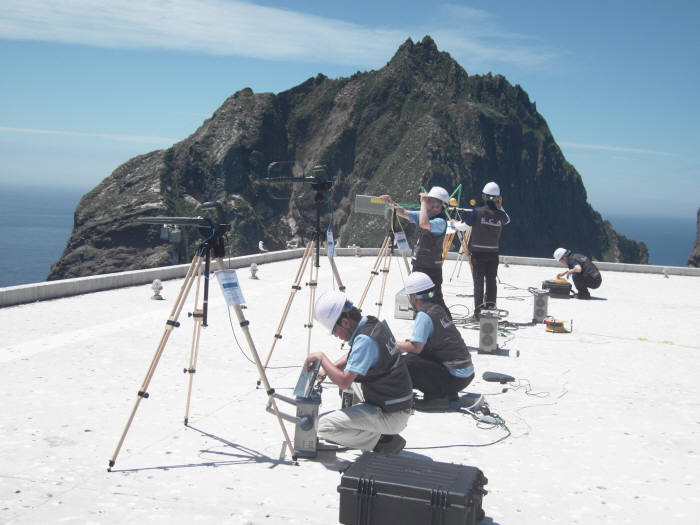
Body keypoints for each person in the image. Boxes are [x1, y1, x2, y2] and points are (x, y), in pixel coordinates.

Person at [305, 291, 413, 454]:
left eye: (335, 331)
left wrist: (321, 358)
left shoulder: (364, 340)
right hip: (397, 403)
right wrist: (328, 369)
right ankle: (359, 426)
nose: (336, 336)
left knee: (322, 426)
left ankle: (382, 441)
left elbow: (343, 381)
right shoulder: (371, 323)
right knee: (351, 374)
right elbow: (355, 355)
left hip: (391, 415)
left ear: (346, 322)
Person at [397, 272, 475, 410]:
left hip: (455, 378)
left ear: (412, 296)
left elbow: (416, 348)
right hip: (465, 375)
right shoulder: (437, 309)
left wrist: (392, 343)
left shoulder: (424, 315)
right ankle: (446, 394)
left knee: (408, 362)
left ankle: (437, 398)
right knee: (416, 356)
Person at [380, 186, 451, 314]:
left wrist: (423, 202)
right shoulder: (424, 215)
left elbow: (424, 224)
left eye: (431, 200)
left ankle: (446, 323)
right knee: (418, 301)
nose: (427, 201)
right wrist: (391, 202)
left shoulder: (440, 222)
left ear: (439, 205)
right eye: (427, 199)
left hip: (431, 269)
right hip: (419, 265)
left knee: (435, 300)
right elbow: (403, 213)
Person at [464, 182, 510, 319]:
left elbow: (464, 226)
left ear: (484, 196)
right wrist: (500, 207)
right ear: (497, 198)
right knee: (491, 281)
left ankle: (478, 313)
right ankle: (490, 309)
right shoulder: (501, 215)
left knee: (478, 283)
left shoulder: (477, 212)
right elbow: (508, 220)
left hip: (478, 254)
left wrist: (454, 224)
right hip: (493, 254)